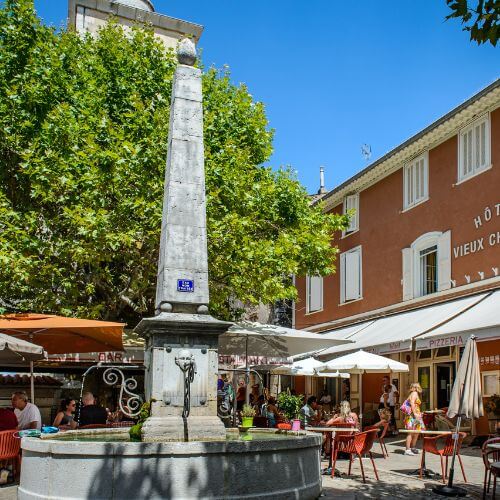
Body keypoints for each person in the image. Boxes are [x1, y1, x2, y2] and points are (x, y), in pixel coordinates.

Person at [403, 382, 425, 456]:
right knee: (411, 432)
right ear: (416, 387)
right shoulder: (414, 393)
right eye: (418, 386)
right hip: (413, 416)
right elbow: (412, 403)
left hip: (415, 415)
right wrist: (415, 413)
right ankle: (407, 449)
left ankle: (412, 448)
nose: (420, 387)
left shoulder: (414, 393)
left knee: (416, 432)